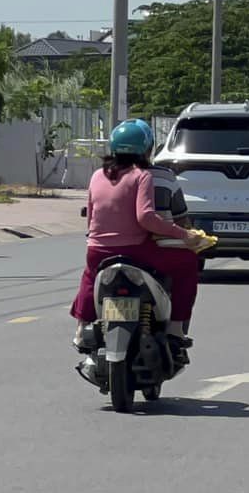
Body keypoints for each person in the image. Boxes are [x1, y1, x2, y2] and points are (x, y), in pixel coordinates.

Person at [71, 120, 202, 363]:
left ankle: (81, 328)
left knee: (89, 277)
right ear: (147, 149)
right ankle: (175, 328)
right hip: (136, 250)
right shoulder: (142, 176)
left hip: (97, 250)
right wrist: (184, 235)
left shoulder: (97, 175)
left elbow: (91, 217)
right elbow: (146, 218)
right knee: (186, 263)